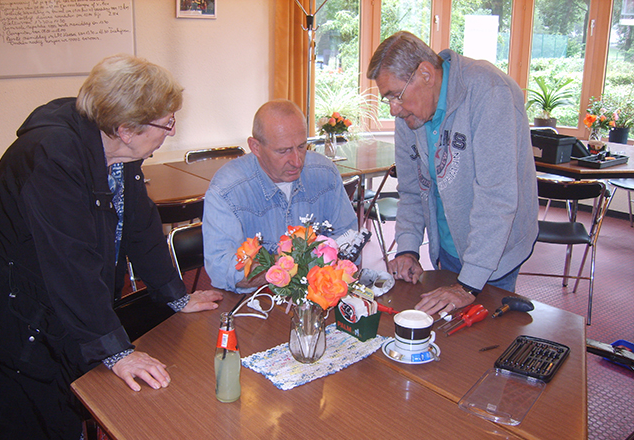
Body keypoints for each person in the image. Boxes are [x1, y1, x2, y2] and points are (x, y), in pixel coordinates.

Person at [0, 54, 223, 440]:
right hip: (22, 311)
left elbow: (141, 227)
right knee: (41, 427)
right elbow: (70, 264)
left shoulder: (117, 149)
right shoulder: (52, 156)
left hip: (65, 303)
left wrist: (174, 295)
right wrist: (115, 351)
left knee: (70, 409)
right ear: (126, 128)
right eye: (167, 123)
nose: (171, 129)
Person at [367, 31, 538, 316]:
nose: (394, 109)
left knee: (488, 336)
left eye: (396, 95)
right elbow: (411, 189)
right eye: (388, 99)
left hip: (495, 251)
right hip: (447, 245)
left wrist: (468, 285)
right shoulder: (410, 112)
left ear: (425, 74)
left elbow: (496, 198)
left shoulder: (490, 92)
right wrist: (408, 248)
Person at [202, 99, 357, 293]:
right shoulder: (227, 189)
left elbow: (348, 235)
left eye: (302, 147)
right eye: (283, 151)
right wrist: (287, 267)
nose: (296, 161)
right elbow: (220, 267)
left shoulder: (325, 173)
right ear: (255, 147)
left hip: (319, 296)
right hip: (256, 302)